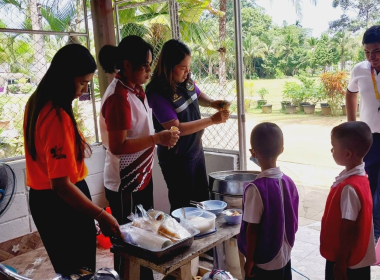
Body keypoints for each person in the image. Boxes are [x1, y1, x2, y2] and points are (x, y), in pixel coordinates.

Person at [23, 44, 121, 277]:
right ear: (64, 78)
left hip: (41, 200)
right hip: (62, 204)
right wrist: (100, 214)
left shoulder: (35, 102)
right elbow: (61, 184)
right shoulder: (56, 116)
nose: (84, 89)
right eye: (81, 82)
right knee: (80, 271)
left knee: (67, 270)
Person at [98, 35, 179, 224]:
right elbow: (118, 146)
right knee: (130, 239)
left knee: (146, 232)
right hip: (125, 181)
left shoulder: (136, 89)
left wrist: (161, 138)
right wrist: (157, 138)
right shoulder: (118, 97)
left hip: (141, 176)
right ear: (127, 65)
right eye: (145, 65)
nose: (149, 70)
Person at [146, 39, 230, 212]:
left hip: (195, 150)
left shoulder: (186, 80)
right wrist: (212, 120)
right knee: (182, 205)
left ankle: (202, 237)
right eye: (183, 68)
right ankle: (184, 239)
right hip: (176, 157)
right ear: (169, 66)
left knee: (202, 200)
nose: (187, 71)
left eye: (188, 67)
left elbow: (197, 95)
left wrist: (214, 103)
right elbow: (177, 128)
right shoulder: (157, 92)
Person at [237, 122, 299, 280]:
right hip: (285, 253)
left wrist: (250, 260)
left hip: (264, 260)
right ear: (281, 149)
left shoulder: (256, 189)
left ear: (253, 152)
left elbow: (252, 229)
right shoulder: (289, 182)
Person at [320, 121, 376, 280]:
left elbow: (348, 228)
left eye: (334, 147)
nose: (331, 150)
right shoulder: (361, 177)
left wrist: (341, 263)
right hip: (356, 257)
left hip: (346, 261)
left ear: (347, 154)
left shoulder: (349, 188)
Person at [346, 25, 380, 240]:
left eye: (376, 51)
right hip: (369, 138)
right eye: (367, 52)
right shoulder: (360, 69)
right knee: (369, 182)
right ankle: (371, 231)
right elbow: (350, 94)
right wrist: (352, 126)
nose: (371, 57)